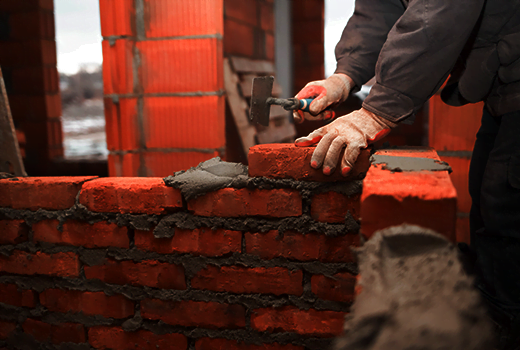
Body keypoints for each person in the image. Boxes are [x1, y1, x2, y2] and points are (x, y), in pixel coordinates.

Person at [293, 1, 520, 348]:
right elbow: (378, 11)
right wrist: (343, 77)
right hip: (505, 94)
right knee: (489, 205)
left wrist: (378, 112)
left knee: (507, 209)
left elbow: (438, 11)